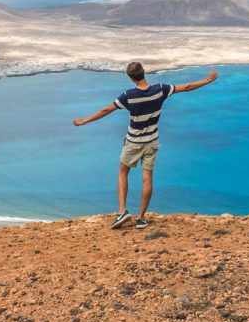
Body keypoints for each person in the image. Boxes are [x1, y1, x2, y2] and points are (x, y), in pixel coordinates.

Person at [73, 61, 217, 229]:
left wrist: (84, 121)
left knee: (122, 172)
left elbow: (106, 110)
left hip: (133, 141)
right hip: (152, 142)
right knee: (147, 178)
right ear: (144, 73)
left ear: (130, 77)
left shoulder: (128, 95)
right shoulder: (161, 89)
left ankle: (122, 211)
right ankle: (141, 218)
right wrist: (207, 80)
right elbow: (187, 86)